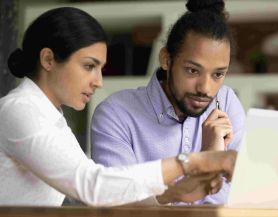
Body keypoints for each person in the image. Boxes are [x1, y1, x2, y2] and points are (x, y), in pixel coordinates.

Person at [0, 7, 237, 206]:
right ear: (48, 60)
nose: (98, 82)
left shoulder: (51, 118)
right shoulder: (19, 110)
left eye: (100, 69)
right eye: (88, 66)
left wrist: (174, 193)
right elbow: (91, 184)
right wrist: (190, 162)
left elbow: (105, 191)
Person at [91, 0, 246, 205]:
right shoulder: (115, 114)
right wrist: (208, 161)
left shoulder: (226, 102)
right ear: (166, 59)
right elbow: (119, 204)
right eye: (193, 71)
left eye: (218, 74)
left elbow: (239, 197)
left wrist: (215, 158)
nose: (206, 89)